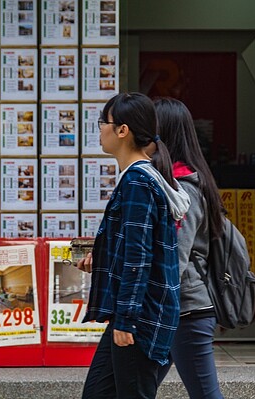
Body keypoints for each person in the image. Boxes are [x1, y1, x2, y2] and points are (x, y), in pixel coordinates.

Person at [76, 92, 191, 399]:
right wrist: (99, 260)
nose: (100, 129)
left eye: (104, 122)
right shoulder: (141, 178)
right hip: (135, 313)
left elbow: (138, 258)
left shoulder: (138, 182)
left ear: (122, 131)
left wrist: (126, 320)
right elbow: (135, 248)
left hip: (139, 318)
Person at [154, 97, 224, 399]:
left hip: (187, 311)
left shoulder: (185, 188)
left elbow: (176, 258)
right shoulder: (176, 182)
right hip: (177, 310)